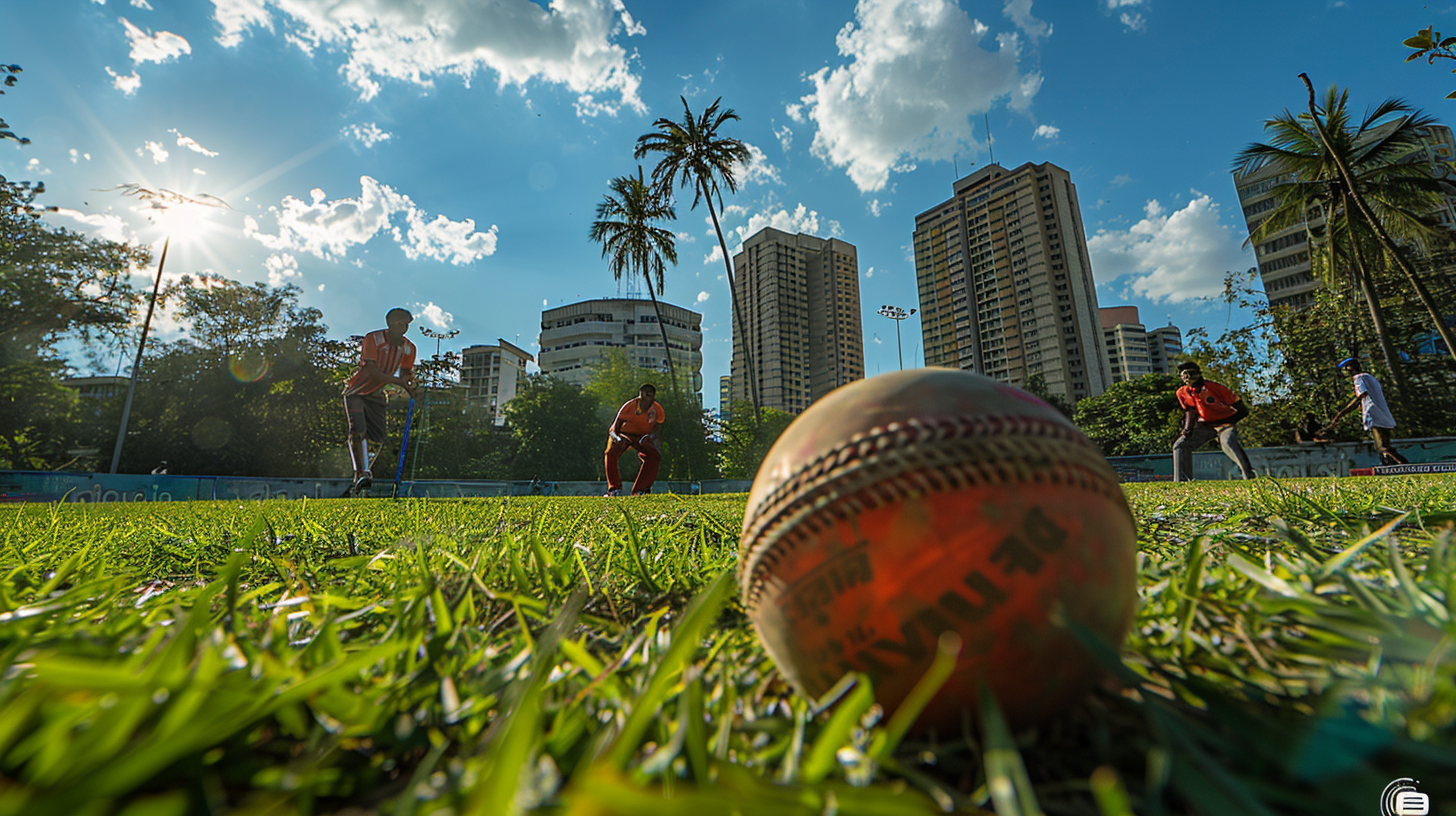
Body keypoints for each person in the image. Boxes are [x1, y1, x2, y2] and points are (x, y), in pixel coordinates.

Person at [342, 308, 417, 493]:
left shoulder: (409, 347)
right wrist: (400, 382)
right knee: (358, 430)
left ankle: (361, 479)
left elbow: (406, 373)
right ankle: (361, 473)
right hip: (357, 391)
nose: (404, 328)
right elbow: (372, 371)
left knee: (378, 437)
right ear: (390, 324)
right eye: (401, 324)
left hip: (376, 394)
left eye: (407, 324)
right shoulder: (373, 339)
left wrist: (411, 386)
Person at [1172, 362, 1256, 481]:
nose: (1188, 378)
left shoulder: (1214, 387)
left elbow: (1242, 410)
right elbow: (1191, 411)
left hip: (1225, 423)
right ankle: (1183, 480)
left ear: (1199, 374)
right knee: (1180, 446)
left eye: (1190, 374)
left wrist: (1228, 422)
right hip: (1206, 425)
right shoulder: (1182, 392)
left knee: (1228, 442)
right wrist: (1188, 429)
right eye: (1184, 375)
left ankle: (1248, 474)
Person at [1323, 357, 1409, 465]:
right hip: (1383, 414)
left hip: (1373, 414)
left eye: (1345, 369)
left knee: (1381, 447)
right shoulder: (1370, 377)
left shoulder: (1358, 378)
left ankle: (1403, 464)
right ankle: (1397, 464)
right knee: (1385, 445)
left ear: (1350, 368)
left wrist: (1341, 414)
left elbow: (1361, 396)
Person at [604, 383, 665, 497]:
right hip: (623, 434)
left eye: (650, 396)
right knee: (611, 453)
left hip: (643, 437)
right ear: (639, 396)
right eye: (644, 396)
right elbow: (613, 430)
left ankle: (640, 490)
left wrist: (650, 438)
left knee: (655, 457)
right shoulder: (629, 407)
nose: (647, 400)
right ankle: (614, 489)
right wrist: (617, 439)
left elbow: (656, 431)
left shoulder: (658, 410)